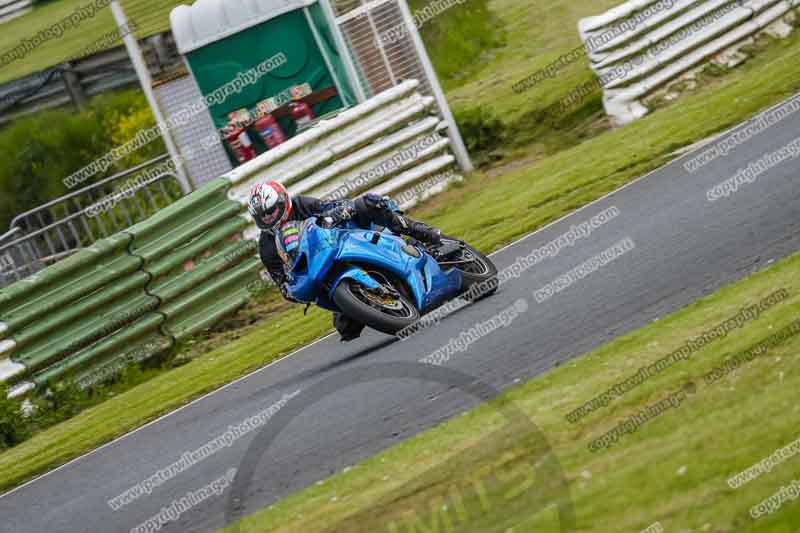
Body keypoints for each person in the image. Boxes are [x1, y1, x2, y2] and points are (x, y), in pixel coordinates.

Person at [249, 180, 442, 341]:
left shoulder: (301, 204)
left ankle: (419, 231)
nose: (268, 218)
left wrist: (337, 213)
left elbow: (332, 206)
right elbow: (282, 283)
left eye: (271, 212)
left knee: (367, 203)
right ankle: (376, 300)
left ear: (283, 202)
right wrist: (291, 288)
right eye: (262, 216)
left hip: (342, 239)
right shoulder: (267, 247)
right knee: (346, 329)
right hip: (321, 272)